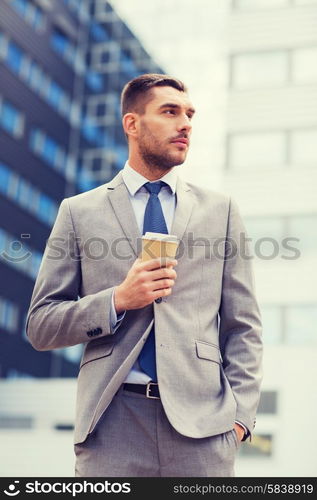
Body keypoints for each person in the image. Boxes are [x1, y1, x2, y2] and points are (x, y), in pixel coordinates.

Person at [26, 73, 263, 477]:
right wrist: (117, 300)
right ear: (131, 124)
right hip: (111, 426)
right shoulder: (78, 212)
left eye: (189, 114)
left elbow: (244, 326)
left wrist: (238, 419)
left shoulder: (220, 210)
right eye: (170, 112)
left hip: (203, 430)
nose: (185, 123)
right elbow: (41, 325)